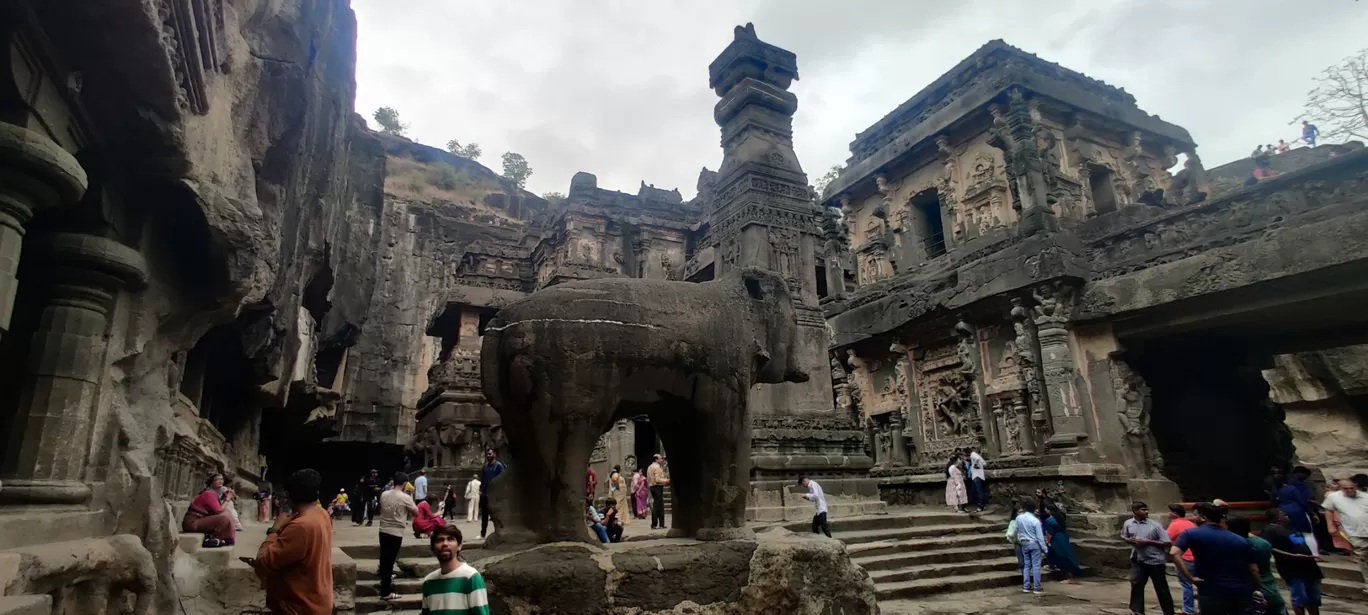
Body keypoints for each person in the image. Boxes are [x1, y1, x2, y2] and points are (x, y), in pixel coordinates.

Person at [251, 468, 333, 615]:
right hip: (319, 602)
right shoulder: (322, 514)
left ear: (288, 496)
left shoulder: (300, 526)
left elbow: (262, 562)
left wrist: (274, 530)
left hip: (301, 607)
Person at [1171, 502, 1257, 615]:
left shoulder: (1191, 534)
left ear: (1203, 518)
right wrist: (1255, 587)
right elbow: (1253, 569)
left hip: (1211, 589)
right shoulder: (1240, 540)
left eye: (1195, 514)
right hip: (1241, 589)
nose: (1192, 518)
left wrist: (1190, 578)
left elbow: (1174, 553)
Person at [1264, 507, 1324, 615]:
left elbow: (1301, 544)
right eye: (1282, 513)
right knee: (1300, 598)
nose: (1285, 515)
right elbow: (1270, 547)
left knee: (1314, 598)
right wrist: (1292, 555)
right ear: (1276, 517)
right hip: (1292, 568)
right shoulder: (1270, 529)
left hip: (1308, 565)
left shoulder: (1290, 527)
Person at [419, 524, 490, 615]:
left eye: (450, 539)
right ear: (433, 548)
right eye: (440, 540)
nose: (445, 543)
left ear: (459, 546)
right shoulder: (429, 582)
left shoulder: (471, 577)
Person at [1124, 501, 1175, 615]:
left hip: (1154, 560)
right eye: (1143, 510)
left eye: (1146, 510)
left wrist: (1148, 542)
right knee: (1136, 584)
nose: (1146, 512)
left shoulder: (1155, 525)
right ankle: (1137, 610)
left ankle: (1168, 611)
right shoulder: (1128, 523)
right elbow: (1125, 536)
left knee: (1161, 587)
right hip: (1138, 558)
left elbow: (1167, 542)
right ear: (1135, 511)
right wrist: (1129, 540)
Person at [1228, 515, 1287, 615]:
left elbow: (1253, 570)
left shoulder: (1237, 546)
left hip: (1251, 589)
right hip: (1270, 588)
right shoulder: (1263, 543)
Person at [378, 471, 418, 602]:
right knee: (390, 560)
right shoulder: (405, 497)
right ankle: (386, 591)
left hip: (383, 529)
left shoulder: (384, 494)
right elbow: (416, 512)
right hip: (396, 532)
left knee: (384, 558)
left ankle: (386, 577)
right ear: (405, 483)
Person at [1323, 478, 1368, 592]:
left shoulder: (1365, 497)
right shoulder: (1333, 497)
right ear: (1340, 488)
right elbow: (1328, 510)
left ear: (1356, 486)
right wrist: (1330, 525)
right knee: (1363, 558)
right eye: (1346, 489)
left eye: (1351, 488)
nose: (1349, 491)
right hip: (1354, 532)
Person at [183, 473, 237, 547]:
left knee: (227, 512)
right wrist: (227, 499)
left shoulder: (214, 494)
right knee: (224, 518)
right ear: (211, 484)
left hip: (199, 521)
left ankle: (226, 539)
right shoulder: (208, 494)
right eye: (217, 480)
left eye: (221, 479)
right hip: (192, 523)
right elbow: (218, 510)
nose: (220, 481)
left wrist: (227, 497)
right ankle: (212, 538)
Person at [1278, 466, 1320, 556]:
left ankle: (1298, 551)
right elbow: (1302, 501)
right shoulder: (1295, 488)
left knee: (1293, 533)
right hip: (1298, 511)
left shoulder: (1280, 489)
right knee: (1308, 533)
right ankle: (1314, 554)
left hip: (1284, 510)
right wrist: (1312, 512)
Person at [1166, 504, 1198, 614]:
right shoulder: (1190, 523)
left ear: (1175, 513)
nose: (1168, 514)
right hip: (1196, 556)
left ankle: (1188, 609)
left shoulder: (1175, 524)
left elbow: (1166, 539)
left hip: (1184, 557)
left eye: (1170, 512)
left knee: (1186, 584)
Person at [1014, 501, 1047, 595]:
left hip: (1023, 543)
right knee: (1036, 566)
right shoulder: (1035, 520)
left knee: (1027, 565)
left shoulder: (1018, 518)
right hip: (1034, 543)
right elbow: (1040, 537)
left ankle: (1026, 586)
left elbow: (1015, 530)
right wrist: (1045, 549)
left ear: (1024, 509)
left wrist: (1016, 538)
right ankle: (1037, 587)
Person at [1042, 507, 1080, 584]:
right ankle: (1051, 565)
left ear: (1049, 510)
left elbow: (1049, 533)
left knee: (1062, 556)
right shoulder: (1060, 518)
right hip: (1063, 537)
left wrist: (1047, 541)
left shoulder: (1050, 520)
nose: (1045, 510)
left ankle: (1070, 577)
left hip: (1056, 539)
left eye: (1046, 509)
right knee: (1055, 554)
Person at [479, 449, 504, 539]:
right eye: (487, 454)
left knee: (496, 515)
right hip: (485, 494)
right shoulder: (485, 467)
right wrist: (481, 490)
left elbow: (501, 480)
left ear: (494, 454)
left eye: (490, 454)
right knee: (484, 515)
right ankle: (482, 534)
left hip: (495, 494)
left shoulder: (499, 466)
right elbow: (483, 479)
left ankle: (499, 532)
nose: (488, 455)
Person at [647, 454, 670, 530]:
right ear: (656, 459)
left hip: (652, 486)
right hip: (657, 486)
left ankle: (660, 523)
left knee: (658, 505)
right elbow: (657, 479)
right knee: (658, 505)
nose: (662, 460)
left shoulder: (650, 467)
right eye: (660, 459)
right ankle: (656, 523)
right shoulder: (657, 467)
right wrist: (666, 481)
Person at [968, 446, 987, 512]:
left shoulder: (972, 454)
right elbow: (984, 464)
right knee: (977, 491)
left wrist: (975, 465)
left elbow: (977, 459)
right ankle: (982, 505)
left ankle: (980, 506)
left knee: (978, 491)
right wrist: (979, 466)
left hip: (976, 476)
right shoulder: (978, 455)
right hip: (980, 475)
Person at [1006, 504, 1024, 575]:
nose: (1021, 514)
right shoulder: (1013, 522)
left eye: (1022, 512)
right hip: (1018, 543)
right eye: (1019, 512)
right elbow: (1009, 534)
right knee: (1021, 560)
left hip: (1027, 543)